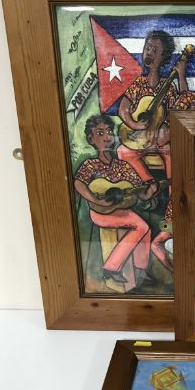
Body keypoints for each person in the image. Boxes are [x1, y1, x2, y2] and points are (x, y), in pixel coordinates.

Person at [74, 114, 158, 289]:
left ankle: (140, 271)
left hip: (121, 210)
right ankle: (111, 268)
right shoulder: (90, 165)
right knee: (141, 227)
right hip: (101, 212)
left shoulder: (123, 166)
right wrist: (97, 201)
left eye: (109, 132)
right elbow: (78, 184)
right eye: (100, 133)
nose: (107, 137)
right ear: (91, 139)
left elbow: (139, 193)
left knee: (145, 228)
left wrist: (149, 191)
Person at [117, 30, 188, 182]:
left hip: (159, 141)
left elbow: (185, 104)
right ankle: (149, 182)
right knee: (122, 151)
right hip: (139, 139)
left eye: (155, 50)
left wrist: (181, 76)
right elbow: (123, 109)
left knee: (172, 152)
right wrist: (134, 125)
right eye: (147, 48)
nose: (149, 52)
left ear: (163, 57)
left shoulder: (168, 87)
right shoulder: (138, 84)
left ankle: (173, 187)